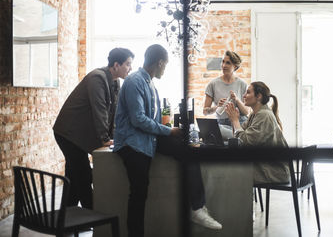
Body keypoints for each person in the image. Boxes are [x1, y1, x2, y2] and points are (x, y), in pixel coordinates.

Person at [113, 44, 222, 237]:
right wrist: (168, 131)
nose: (165, 69)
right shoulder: (134, 81)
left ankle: (197, 208)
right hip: (132, 143)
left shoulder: (150, 84)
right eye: (166, 65)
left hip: (147, 138)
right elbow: (138, 119)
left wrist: (170, 131)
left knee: (188, 151)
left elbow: (151, 120)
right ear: (160, 62)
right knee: (139, 193)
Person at [53, 47, 134, 208]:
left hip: (79, 135)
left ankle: (66, 220)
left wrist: (114, 137)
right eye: (128, 64)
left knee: (74, 176)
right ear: (116, 65)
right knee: (83, 176)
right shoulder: (97, 78)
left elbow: (114, 114)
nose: (130, 68)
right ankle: (94, 218)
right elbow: (100, 110)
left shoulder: (115, 82)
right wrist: (105, 139)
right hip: (68, 133)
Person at [225, 81, 290, 184]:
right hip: (263, 166)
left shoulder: (264, 115)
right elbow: (239, 137)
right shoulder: (254, 114)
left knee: (227, 171)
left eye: (248, 92)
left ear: (258, 96)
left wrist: (235, 121)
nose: (244, 96)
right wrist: (234, 121)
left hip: (274, 171)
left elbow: (245, 142)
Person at [203, 50, 249, 126]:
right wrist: (217, 107)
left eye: (228, 63)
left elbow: (246, 112)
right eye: (223, 62)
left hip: (240, 122)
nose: (224, 65)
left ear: (235, 66)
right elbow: (205, 111)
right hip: (222, 123)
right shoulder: (212, 84)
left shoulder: (242, 84)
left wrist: (236, 99)